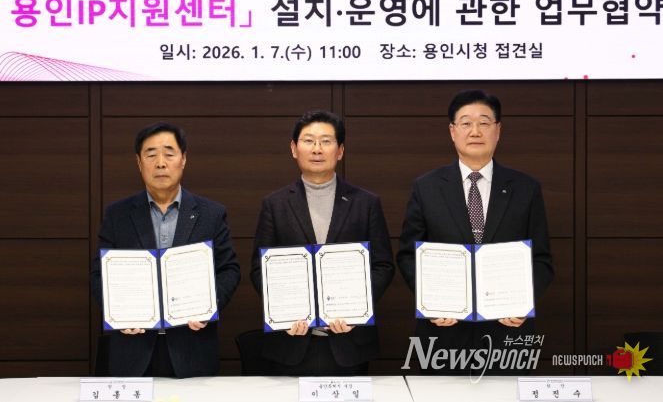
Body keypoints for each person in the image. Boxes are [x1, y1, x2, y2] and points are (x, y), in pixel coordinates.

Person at [397, 90, 554, 375]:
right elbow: (408, 255)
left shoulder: (526, 188)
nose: (475, 131)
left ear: (498, 131)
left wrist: (523, 303)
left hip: (508, 334)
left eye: (484, 122)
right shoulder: (426, 187)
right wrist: (430, 303)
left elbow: (541, 260)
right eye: (466, 123)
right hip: (443, 334)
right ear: (452, 131)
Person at [250, 110, 395, 376]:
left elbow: (383, 266)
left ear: (340, 151)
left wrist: (357, 310)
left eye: (326, 141)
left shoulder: (366, 203)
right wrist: (283, 311)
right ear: (294, 148)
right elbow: (260, 270)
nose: (317, 149)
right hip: (291, 341)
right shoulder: (275, 204)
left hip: (349, 341)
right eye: (309, 141)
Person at [90, 122, 240, 378]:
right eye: (151, 155)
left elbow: (229, 270)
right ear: (139, 162)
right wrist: (118, 313)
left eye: (169, 154)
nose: (160, 163)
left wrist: (208, 306)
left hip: (192, 348)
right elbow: (98, 275)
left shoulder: (211, 214)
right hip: (132, 351)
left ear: (183, 159)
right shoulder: (117, 215)